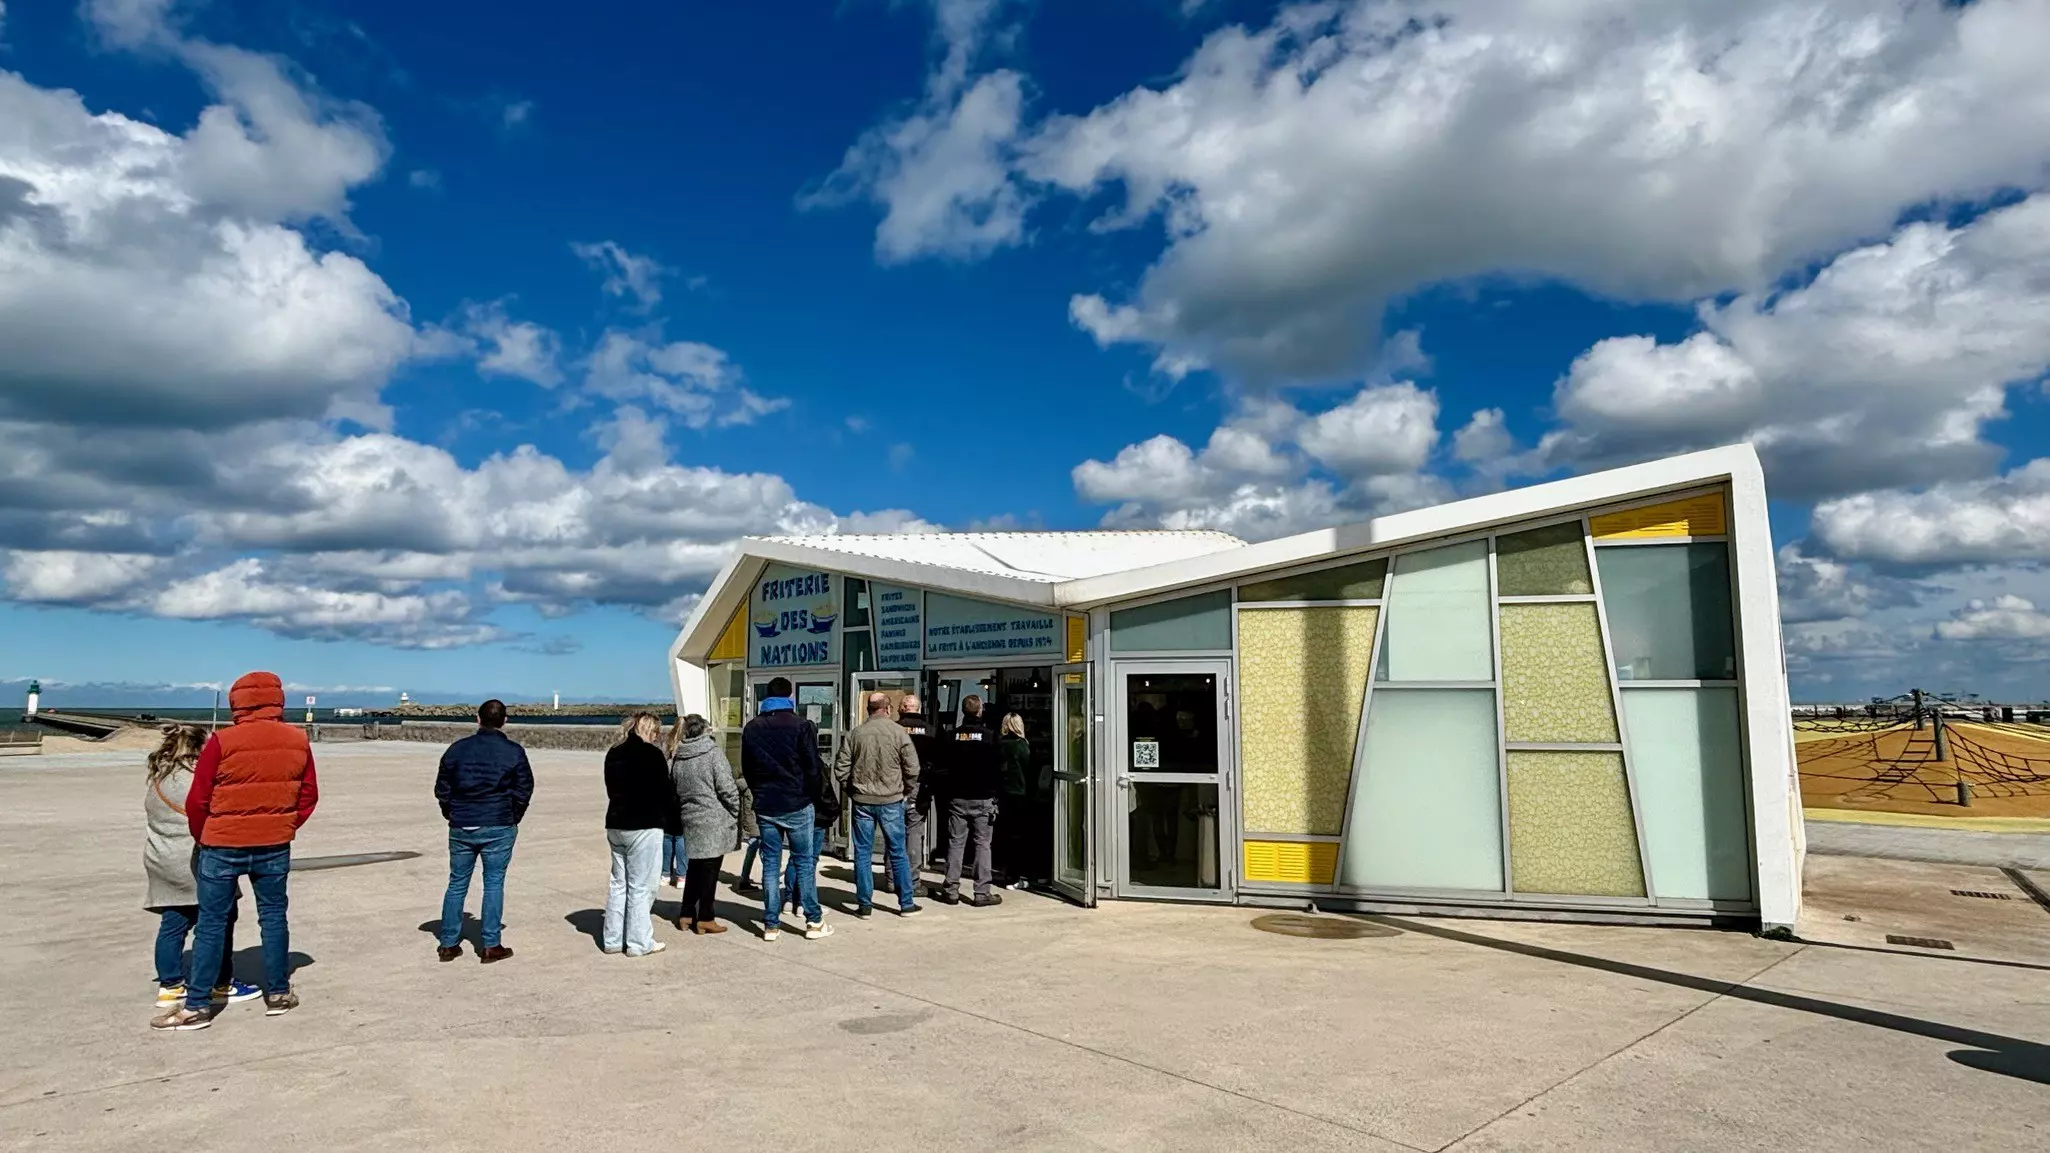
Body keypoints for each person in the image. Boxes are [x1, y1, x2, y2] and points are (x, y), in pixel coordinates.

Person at [152, 671, 317, 1031]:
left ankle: (197, 1005)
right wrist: (284, 824)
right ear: (278, 700)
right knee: (273, 917)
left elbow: (199, 799)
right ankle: (277, 993)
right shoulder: (298, 740)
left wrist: (205, 834)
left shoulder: (222, 741)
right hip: (274, 844)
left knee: (211, 923)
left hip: (222, 843)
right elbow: (308, 796)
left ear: (237, 702)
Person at [142, 724, 261, 1017]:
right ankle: (220, 983)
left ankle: (170, 987)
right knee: (220, 920)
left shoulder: (159, 778)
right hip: (194, 862)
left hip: (161, 860)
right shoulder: (195, 780)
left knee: (173, 923)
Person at [432, 699, 534, 963]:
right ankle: (490, 944)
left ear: (478, 719)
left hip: (463, 823)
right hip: (497, 822)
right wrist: (513, 816)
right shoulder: (513, 751)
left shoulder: (457, 750)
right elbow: (524, 789)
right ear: (504, 721)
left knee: (457, 883)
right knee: (493, 882)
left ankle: (448, 943)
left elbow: (442, 787)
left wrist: (451, 811)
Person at [740, 676, 832, 942]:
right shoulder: (802, 725)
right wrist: (812, 796)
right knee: (804, 862)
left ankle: (771, 924)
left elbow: (747, 766)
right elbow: (813, 767)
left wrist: (759, 792)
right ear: (790, 696)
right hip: (797, 802)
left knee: (770, 864)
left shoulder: (752, 727)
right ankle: (813, 920)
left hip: (767, 803)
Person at [834, 692, 923, 919]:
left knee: (862, 854)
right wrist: (906, 789)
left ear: (868, 709)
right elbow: (913, 768)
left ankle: (865, 905)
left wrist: (851, 790)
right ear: (888, 708)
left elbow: (841, 768)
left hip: (863, 800)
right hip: (891, 799)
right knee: (898, 852)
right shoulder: (898, 733)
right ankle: (906, 904)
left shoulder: (855, 734)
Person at [603, 712, 677, 957]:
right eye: (656, 733)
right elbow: (665, 791)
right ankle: (639, 942)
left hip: (616, 822)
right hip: (644, 824)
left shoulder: (614, 753)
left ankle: (613, 938)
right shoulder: (652, 755)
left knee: (618, 884)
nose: (657, 738)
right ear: (650, 731)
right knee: (641, 887)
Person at [668, 714, 740, 934]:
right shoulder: (713, 754)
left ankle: (687, 913)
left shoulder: (678, 757)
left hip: (690, 817)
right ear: (704, 730)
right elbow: (727, 788)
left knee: (695, 870)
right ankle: (706, 917)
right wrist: (735, 810)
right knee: (710, 871)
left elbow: (675, 789)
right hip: (714, 819)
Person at [937, 693, 1002, 908]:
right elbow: (998, 767)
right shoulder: (991, 736)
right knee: (983, 844)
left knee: (956, 843)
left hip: (957, 797)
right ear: (980, 711)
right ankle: (981, 892)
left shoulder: (951, 736)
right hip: (983, 797)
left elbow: (943, 766)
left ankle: (951, 890)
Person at [892, 694, 941, 895]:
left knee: (893, 831)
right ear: (919, 709)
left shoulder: (892, 729)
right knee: (914, 831)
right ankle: (911, 880)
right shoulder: (931, 731)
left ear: (902, 709)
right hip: (919, 787)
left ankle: (891, 878)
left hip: (893, 786)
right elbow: (940, 761)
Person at [996, 712, 1034, 890]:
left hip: (1002, 793)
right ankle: (1014, 876)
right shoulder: (1022, 745)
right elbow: (1029, 768)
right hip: (1019, 793)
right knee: (1018, 836)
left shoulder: (998, 744)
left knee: (1004, 834)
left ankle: (1006, 872)